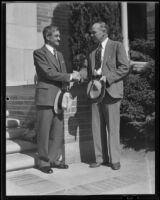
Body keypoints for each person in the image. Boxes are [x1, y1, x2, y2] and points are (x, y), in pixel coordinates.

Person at [33, 25, 80, 174]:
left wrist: (69, 84)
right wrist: (71, 76)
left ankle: (55, 159)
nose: (60, 38)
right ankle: (43, 162)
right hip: (45, 97)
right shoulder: (39, 53)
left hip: (59, 98)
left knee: (57, 132)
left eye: (59, 35)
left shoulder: (59, 54)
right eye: (56, 36)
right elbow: (48, 73)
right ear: (47, 37)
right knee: (44, 131)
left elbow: (62, 75)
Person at [88, 22, 129, 170]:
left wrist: (108, 77)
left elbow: (125, 67)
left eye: (94, 32)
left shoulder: (116, 46)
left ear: (104, 31)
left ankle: (115, 160)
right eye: (91, 33)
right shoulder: (92, 52)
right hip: (95, 91)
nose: (91, 35)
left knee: (113, 127)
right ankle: (100, 158)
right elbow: (88, 72)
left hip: (111, 91)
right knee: (97, 126)